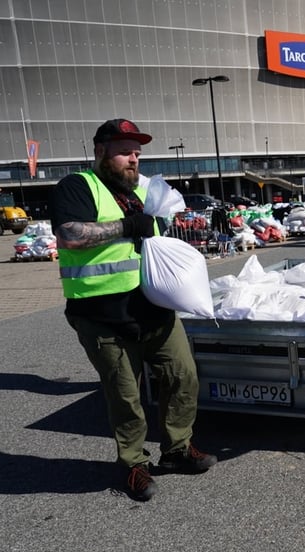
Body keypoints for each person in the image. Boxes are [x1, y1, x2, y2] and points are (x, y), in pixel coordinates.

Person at [50, 118, 217, 501]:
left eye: (138, 152)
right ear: (101, 151)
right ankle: (133, 465)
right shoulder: (78, 186)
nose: (134, 159)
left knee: (183, 376)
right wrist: (127, 226)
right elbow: (71, 235)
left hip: (154, 310)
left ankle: (176, 450)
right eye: (125, 151)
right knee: (126, 397)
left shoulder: (144, 191)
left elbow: (152, 243)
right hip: (102, 315)